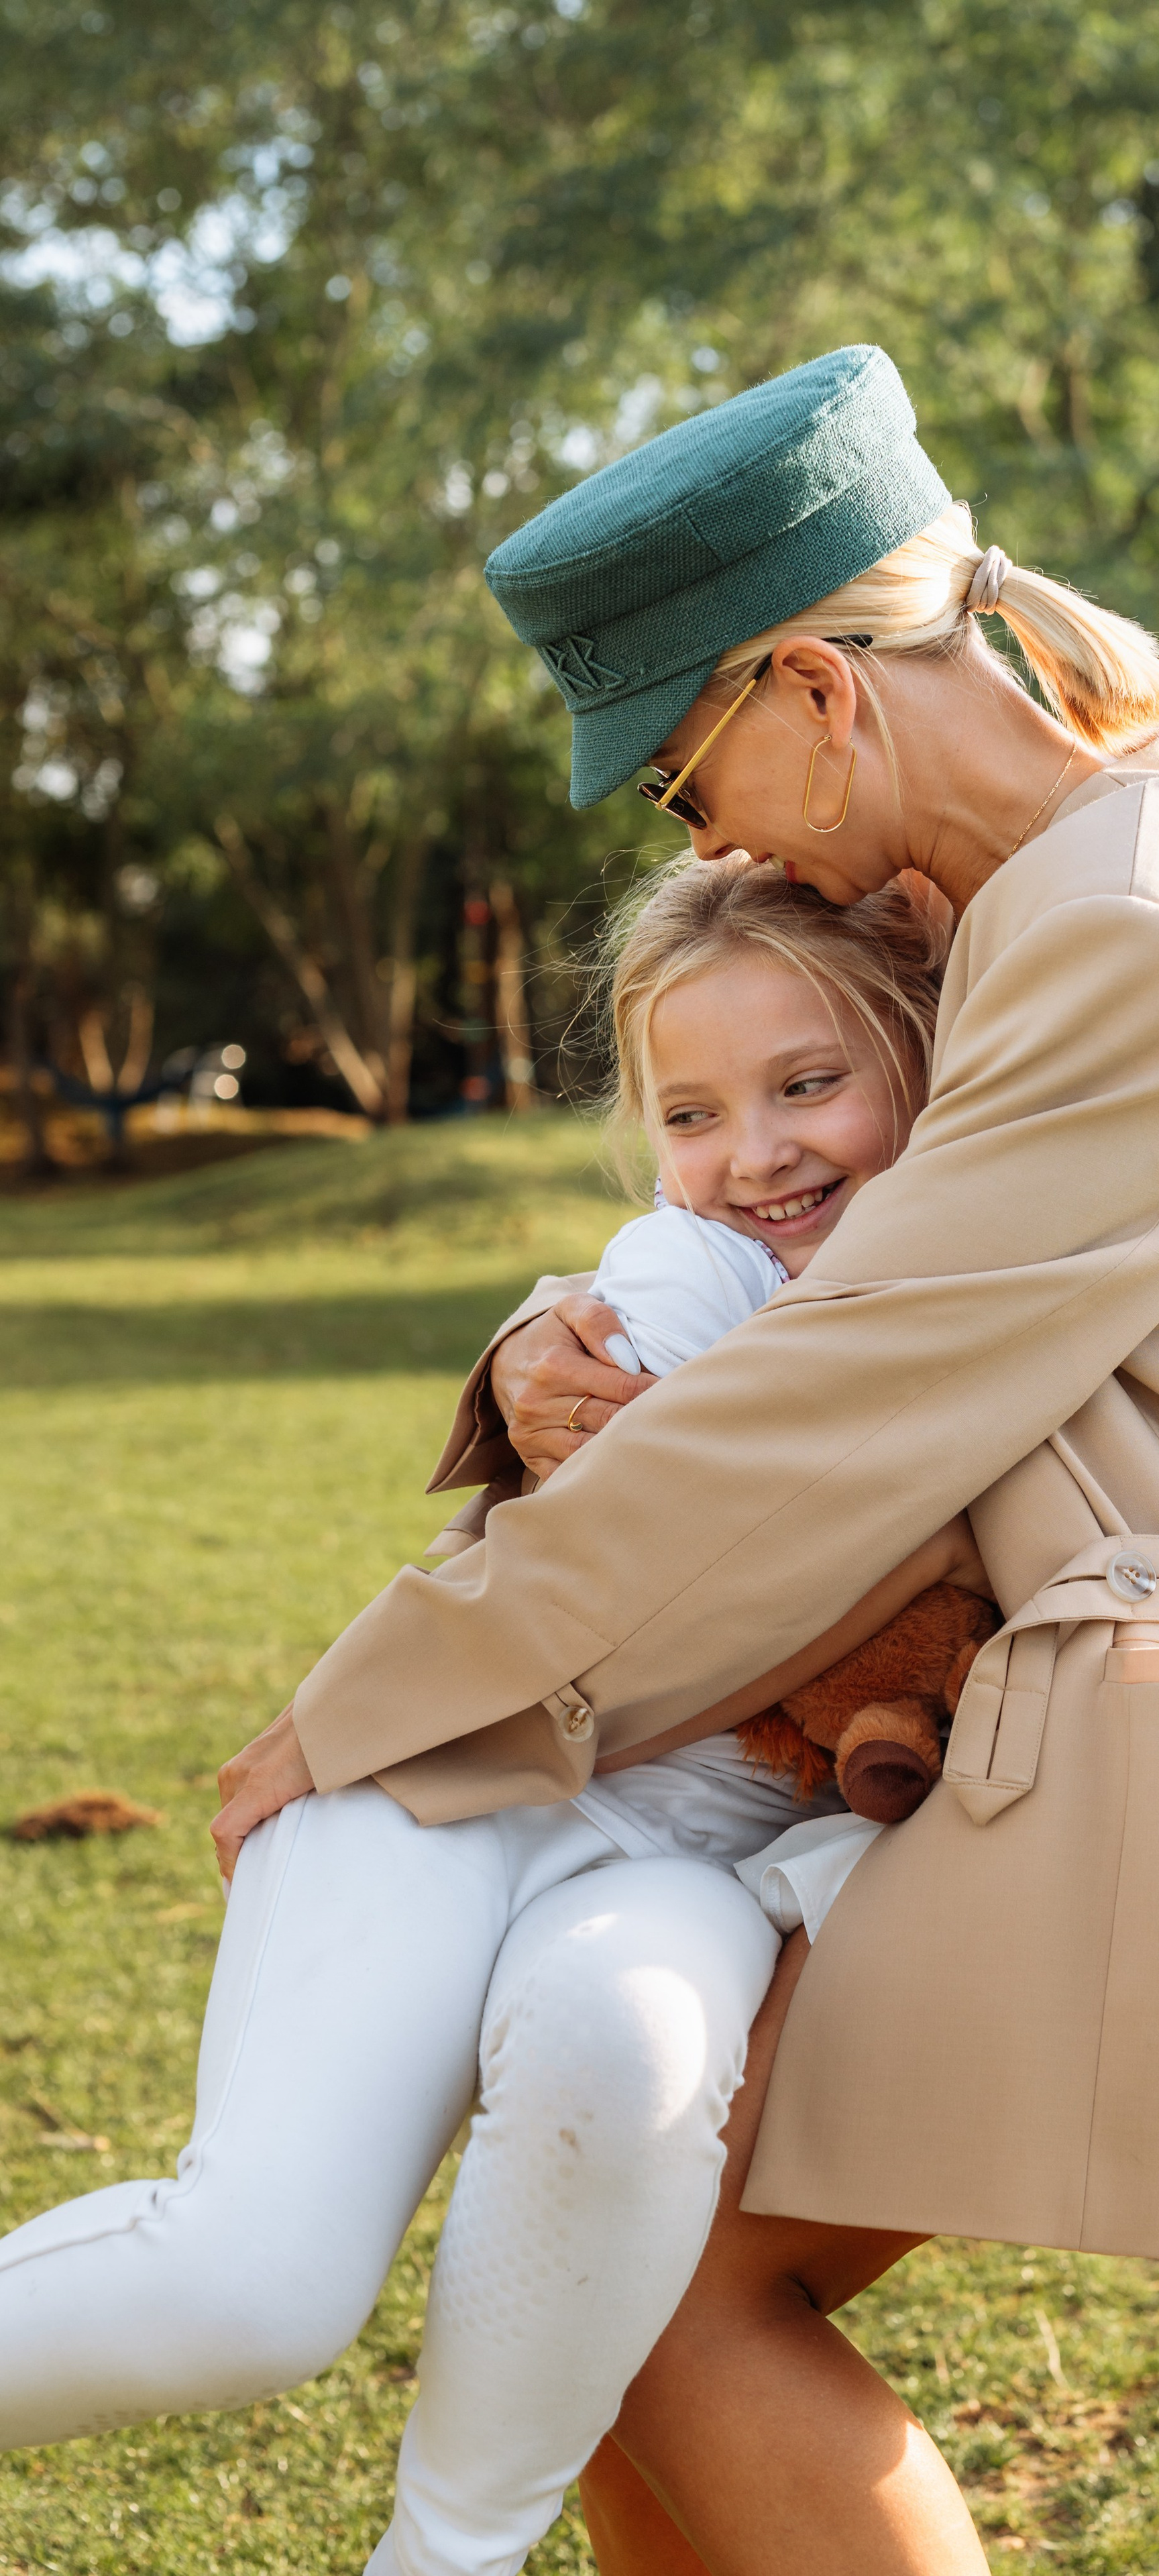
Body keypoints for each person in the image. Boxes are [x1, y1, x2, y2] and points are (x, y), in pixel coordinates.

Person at [207, 341, 1159, 2576]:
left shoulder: (1125, 930)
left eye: (682, 776)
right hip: (1113, 1694)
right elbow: (765, 1270)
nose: (712, 840)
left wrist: (395, 1686)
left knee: (660, 2291)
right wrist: (544, 1356)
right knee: (625, 2273)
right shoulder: (1061, 886)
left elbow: (826, 1416)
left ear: (819, 689)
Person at [0, 861, 991, 2575]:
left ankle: (441, 2560)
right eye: (692, 1110)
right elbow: (617, 1541)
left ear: (919, 1061)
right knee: (256, 2292)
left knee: (633, 2051)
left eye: (808, 1084)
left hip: (701, 1863)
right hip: (466, 1793)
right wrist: (532, 1364)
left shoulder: (992, 1302)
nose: (754, 1152)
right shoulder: (690, 1272)